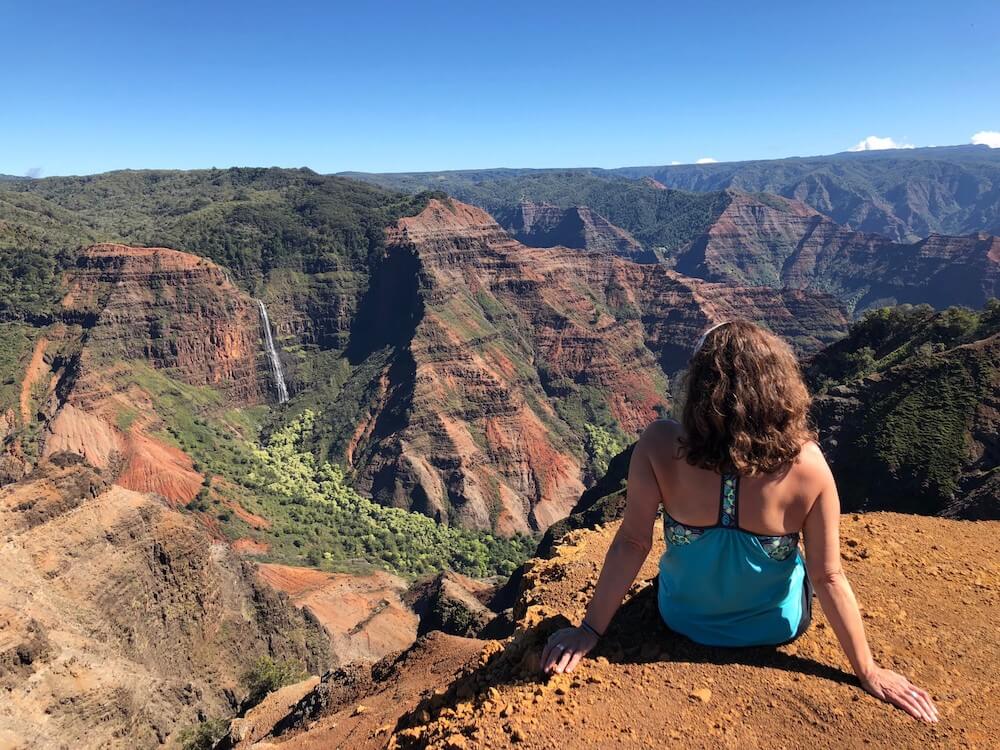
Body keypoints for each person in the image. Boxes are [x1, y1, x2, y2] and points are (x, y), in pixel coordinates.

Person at [541, 320, 938, 723]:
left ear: (698, 386)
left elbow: (632, 543)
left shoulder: (659, 445)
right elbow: (828, 576)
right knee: (801, 568)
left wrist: (588, 631)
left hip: (682, 617)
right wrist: (867, 670)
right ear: (778, 387)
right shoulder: (809, 466)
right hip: (775, 628)